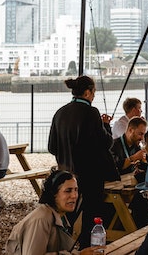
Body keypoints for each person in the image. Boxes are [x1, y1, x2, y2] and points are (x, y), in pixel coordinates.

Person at [48, 76, 116, 249]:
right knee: (92, 213)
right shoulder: (91, 113)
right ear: (87, 92)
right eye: (93, 93)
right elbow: (106, 143)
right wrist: (106, 126)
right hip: (90, 174)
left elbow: (51, 146)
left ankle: (62, 246)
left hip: (66, 173)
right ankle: (88, 248)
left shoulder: (60, 112)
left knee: (67, 211)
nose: (94, 96)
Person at [5, 169, 101, 255]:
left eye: (76, 190)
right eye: (68, 191)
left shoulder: (59, 214)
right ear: (53, 194)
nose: (74, 195)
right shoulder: (41, 219)